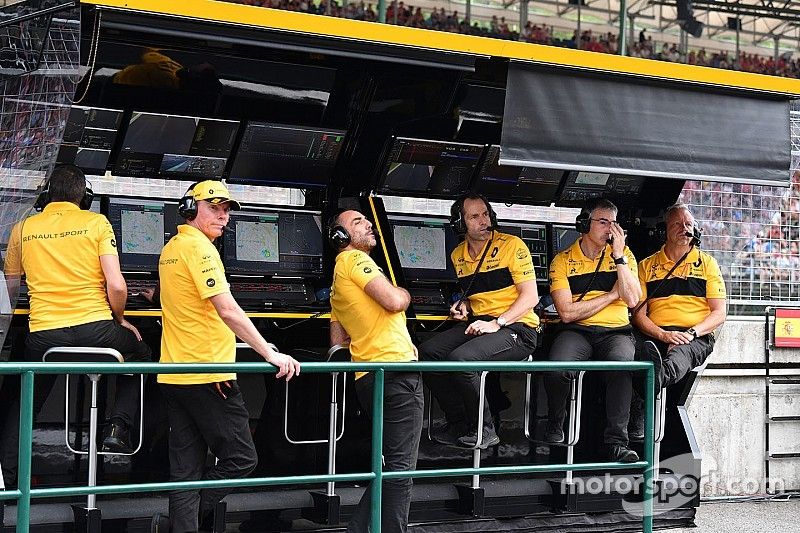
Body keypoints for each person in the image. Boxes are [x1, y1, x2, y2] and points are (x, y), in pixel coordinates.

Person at [157, 180, 300, 532]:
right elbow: (228, 310)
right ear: (190, 209)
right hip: (210, 375)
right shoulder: (202, 250)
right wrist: (269, 352)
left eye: (226, 210)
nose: (223, 217)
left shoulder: (171, 247)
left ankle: (180, 525)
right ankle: (179, 521)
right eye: (214, 208)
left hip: (174, 375)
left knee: (185, 470)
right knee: (241, 458)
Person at [0, 164, 151, 485]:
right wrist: (121, 319)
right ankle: (117, 427)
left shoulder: (22, 228)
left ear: (45, 197)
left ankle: (8, 481)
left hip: (43, 340)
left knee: (26, 397)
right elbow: (118, 286)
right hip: (97, 334)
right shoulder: (97, 222)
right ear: (85, 198)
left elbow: (10, 290)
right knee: (141, 353)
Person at [418, 194, 539, 449]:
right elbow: (478, 296)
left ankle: (484, 430)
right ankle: (459, 423)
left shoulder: (512, 245)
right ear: (459, 223)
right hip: (480, 325)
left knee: (461, 360)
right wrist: (465, 306)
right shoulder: (458, 255)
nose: (483, 221)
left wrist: (498, 322)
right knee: (428, 353)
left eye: (485, 214)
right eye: (474, 216)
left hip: (518, 328)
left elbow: (531, 297)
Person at [328, 209, 423, 533]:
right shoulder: (355, 260)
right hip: (395, 373)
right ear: (340, 237)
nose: (368, 224)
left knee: (389, 467)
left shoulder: (339, 274)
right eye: (357, 222)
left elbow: (337, 333)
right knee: (399, 471)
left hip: (369, 375)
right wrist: (406, 295)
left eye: (367, 221)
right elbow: (393, 301)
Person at [544, 198, 642, 463]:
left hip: (616, 331)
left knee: (623, 367)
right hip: (577, 331)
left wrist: (619, 256)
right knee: (558, 366)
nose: (610, 229)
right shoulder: (562, 260)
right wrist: (611, 296)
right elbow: (566, 312)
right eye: (602, 222)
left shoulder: (625, 256)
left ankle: (617, 444)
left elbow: (633, 300)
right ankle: (556, 421)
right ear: (584, 224)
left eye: (614, 223)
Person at [632, 203, 727, 392]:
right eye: (677, 224)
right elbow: (638, 315)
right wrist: (663, 335)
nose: (684, 229)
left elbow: (720, 312)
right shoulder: (645, 266)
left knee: (678, 353)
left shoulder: (708, 263)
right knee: (629, 353)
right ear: (663, 231)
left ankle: (656, 379)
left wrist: (690, 333)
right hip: (655, 334)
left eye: (689, 224)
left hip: (694, 336)